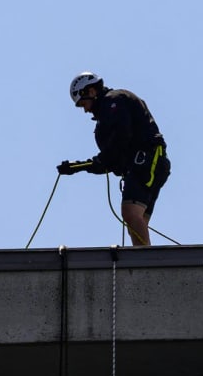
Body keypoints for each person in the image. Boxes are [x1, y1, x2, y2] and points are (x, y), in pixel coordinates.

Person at [58, 72, 171, 246]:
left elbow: (119, 139)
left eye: (84, 103)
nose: (85, 110)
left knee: (130, 212)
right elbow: (110, 161)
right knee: (136, 217)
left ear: (92, 91)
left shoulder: (114, 101)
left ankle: (145, 262)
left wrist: (87, 164)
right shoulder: (108, 111)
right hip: (148, 164)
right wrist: (79, 167)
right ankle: (144, 257)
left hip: (146, 161)